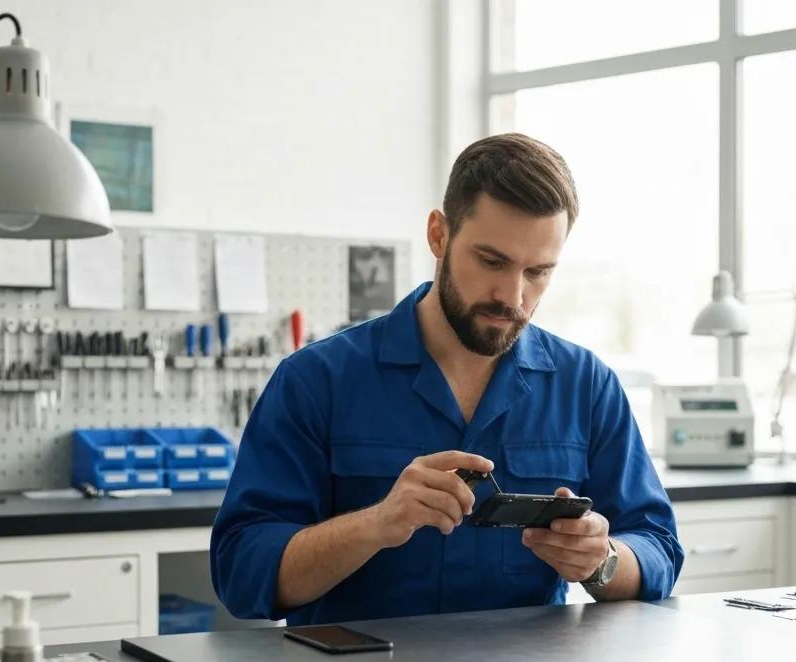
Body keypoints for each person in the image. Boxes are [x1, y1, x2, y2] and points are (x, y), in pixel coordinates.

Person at [211, 133, 683, 625]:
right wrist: (375, 524)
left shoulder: (586, 385)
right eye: (492, 261)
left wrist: (600, 561)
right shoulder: (315, 380)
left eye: (538, 272)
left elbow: (659, 551)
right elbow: (242, 572)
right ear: (439, 235)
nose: (513, 296)